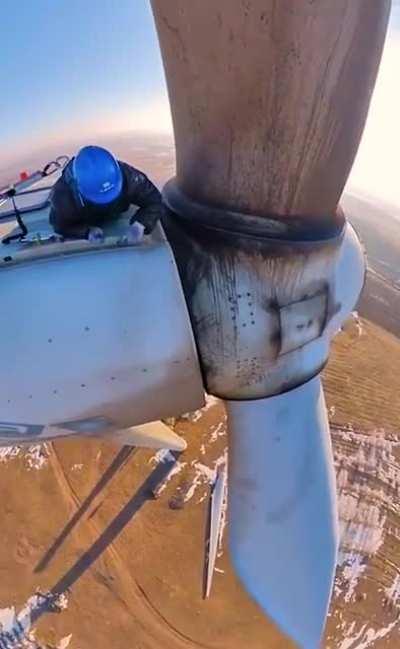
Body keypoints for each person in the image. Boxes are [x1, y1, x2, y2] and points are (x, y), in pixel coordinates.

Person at [49, 145, 163, 241]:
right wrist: (86, 232)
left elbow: (155, 200)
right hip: (88, 220)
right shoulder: (62, 197)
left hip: (118, 213)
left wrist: (141, 223)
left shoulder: (130, 178)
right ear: (78, 189)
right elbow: (60, 226)